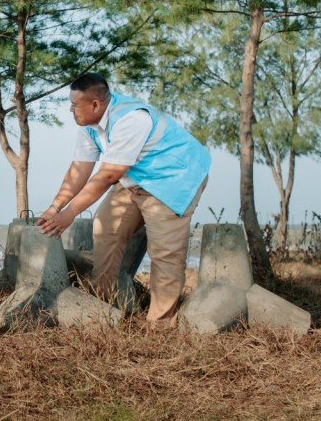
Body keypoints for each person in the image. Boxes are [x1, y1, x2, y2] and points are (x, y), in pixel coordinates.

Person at [36, 72, 210, 326]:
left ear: (95, 104)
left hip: (171, 179)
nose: (71, 111)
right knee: (105, 228)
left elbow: (107, 175)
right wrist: (55, 208)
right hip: (134, 178)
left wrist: (69, 214)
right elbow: (80, 170)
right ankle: (102, 306)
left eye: (75, 106)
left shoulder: (131, 119)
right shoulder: (89, 125)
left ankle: (160, 325)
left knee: (165, 253)